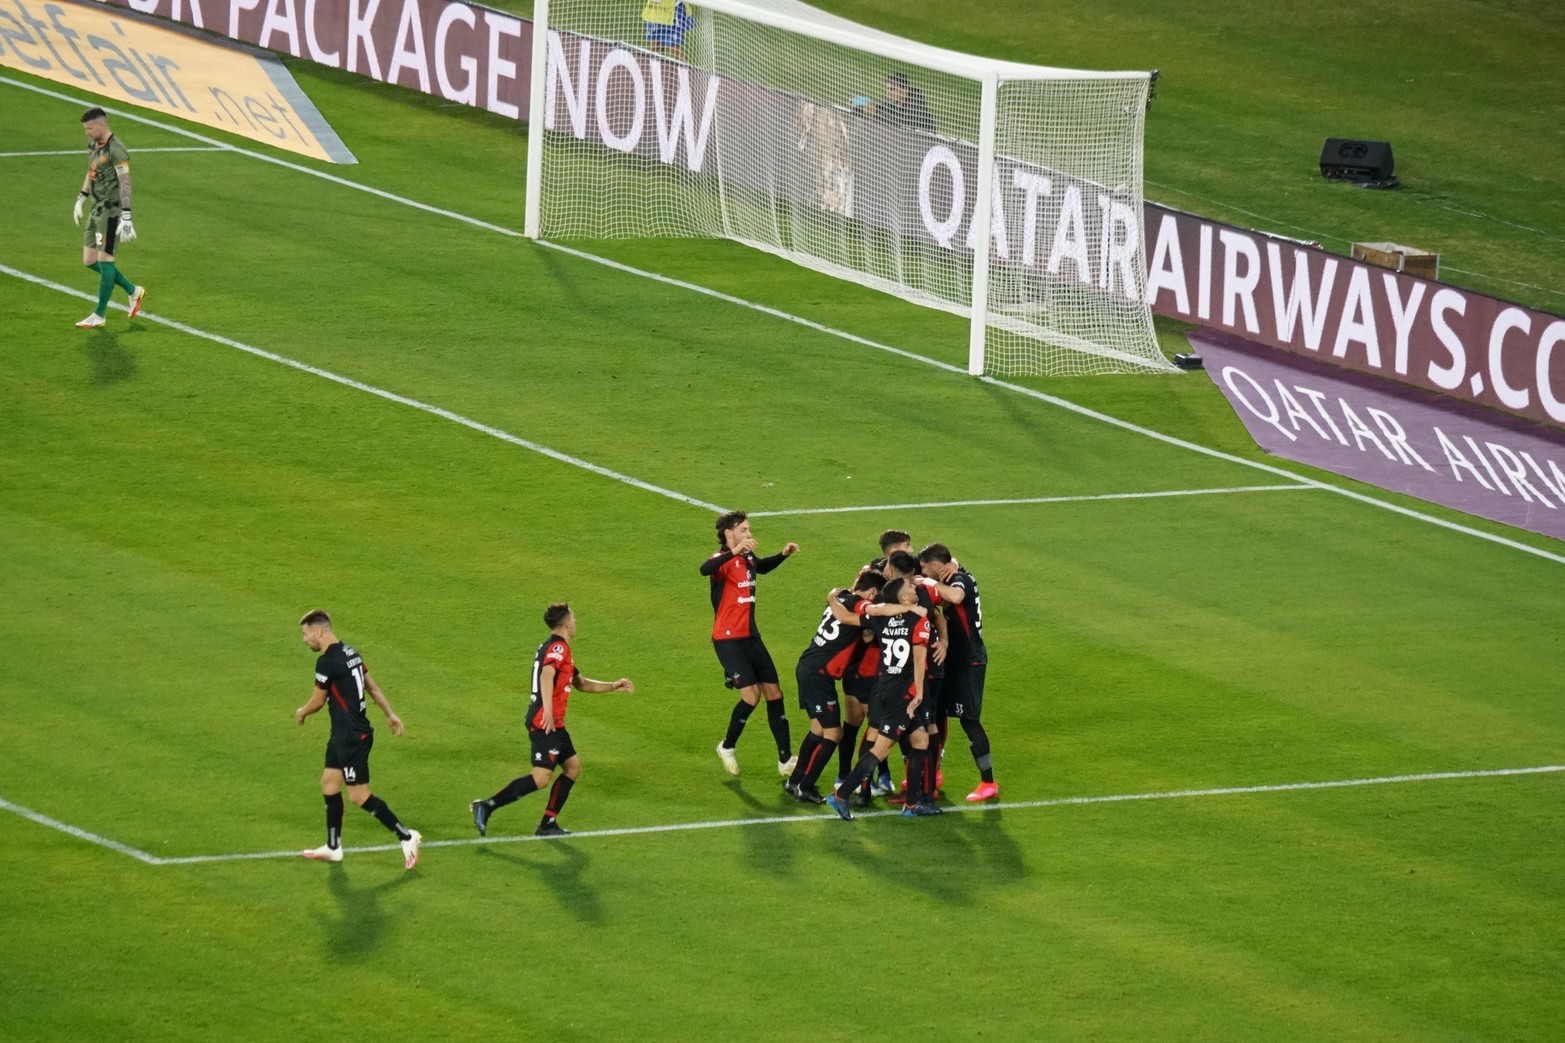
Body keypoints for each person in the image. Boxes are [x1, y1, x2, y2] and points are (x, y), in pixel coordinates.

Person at [471, 603, 634, 837]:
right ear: (566, 623)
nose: (576, 621)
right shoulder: (557, 647)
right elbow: (547, 674)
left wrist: (613, 685)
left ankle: (548, 823)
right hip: (545, 721)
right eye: (574, 618)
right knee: (540, 777)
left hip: (555, 723)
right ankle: (486, 806)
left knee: (572, 766)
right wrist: (548, 710)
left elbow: (581, 683)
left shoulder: (558, 648)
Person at [295, 610, 422, 869]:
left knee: (359, 796)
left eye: (306, 634)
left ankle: (406, 837)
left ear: (319, 631)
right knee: (329, 784)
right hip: (342, 734)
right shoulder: (351, 653)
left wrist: (302, 711)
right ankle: (333, 847)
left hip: (353, 737)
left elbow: (318, 701)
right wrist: (390, 714)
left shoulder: (327, 662)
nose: (305, 640)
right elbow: (371, 686)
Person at [787, 571, 924, 804]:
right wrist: (908, 609)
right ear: (871, 593)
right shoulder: (858, 604)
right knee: (833, 734)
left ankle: (795, 782)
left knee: (817, 730)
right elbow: (875, 612)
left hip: (810, 666)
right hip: (819, 674)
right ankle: (806, 787)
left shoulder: (842, 597)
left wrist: (831, 598)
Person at [826, 578, 939, 820]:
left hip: (885, 686)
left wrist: (831, 600)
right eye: (909, 587)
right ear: (904, 598)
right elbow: (919, 660)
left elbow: (846, 618)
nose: (914, 588)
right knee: (880, 748)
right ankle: (841, 796)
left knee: (920, 741)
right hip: (904, 693)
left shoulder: (882, 617)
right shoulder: (920, 620)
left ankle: (911, 804)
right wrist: (919, 693)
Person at [702, 510, 799, 778]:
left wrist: (783, 554)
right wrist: (734, 551)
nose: (749, 534)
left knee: (775, 694)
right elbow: (704, 569)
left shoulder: (747, 557)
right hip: (727, 640)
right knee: (751, 696)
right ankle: (727, 746)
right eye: (744, 530)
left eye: (749, 529)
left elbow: (762, 567)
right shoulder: (721, 560)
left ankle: (785, 760)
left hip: (751, 637)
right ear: (728, 534)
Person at [918, 543, 997, 801]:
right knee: (936, 712)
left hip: (969, 662)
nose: (923, 572)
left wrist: (928, 583)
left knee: (968, 720)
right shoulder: (950, 572)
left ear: (937, 566)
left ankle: (988, 782)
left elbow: (956, 597)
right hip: (951, 659)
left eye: (925, 568)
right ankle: (934, 773)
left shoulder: (960, 579)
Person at [72, 107, 145, 329]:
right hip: (96, 208)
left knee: (105, 260)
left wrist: (126, 216)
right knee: (90, 260)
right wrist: (81, 196)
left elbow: (125, 183)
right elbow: (91, 170)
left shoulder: (117, 150)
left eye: (89, 128)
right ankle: (133, 291)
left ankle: (99, 314)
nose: (87, 132)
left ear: (101, 125)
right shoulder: (94, 145)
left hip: (111, 213)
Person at [855, 72, 935, 134]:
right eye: (888, 89)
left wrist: (876, 114)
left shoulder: (916, 107)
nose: (889, 92)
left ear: (905, 90)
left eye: (892, 89)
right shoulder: (890, 103)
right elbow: (879, 108)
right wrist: (860, 108)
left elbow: (901, 123)